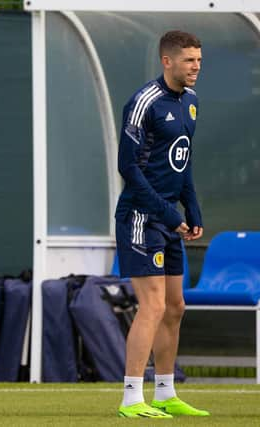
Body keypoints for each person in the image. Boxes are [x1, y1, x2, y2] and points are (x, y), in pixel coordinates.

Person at [115, 30, 209, 418]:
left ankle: (166, 392)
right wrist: (167, 214)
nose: (196, 68)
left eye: (199, 61)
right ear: (167, 61)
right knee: (151, 306)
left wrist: (192, 209)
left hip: (169, 219)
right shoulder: (143, 102)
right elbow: (128, 168)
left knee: (175, 306)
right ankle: (131, 399)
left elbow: (180, 161)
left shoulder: (190, 103)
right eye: (189, 61)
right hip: (140, 217)